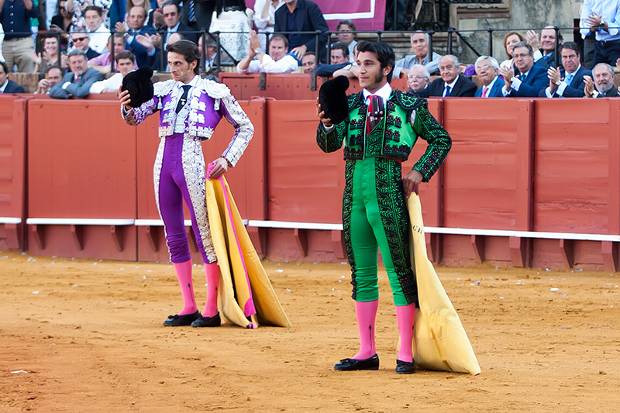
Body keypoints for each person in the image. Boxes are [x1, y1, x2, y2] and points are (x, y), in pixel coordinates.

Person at [316, 40, 451, 374]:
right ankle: (367, 351)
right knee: (361, 273)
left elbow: (441, 139)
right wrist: (328, 124)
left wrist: (419, 171)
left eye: (369, 64)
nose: (361, 70)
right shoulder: (349, 104)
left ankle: (405, 351)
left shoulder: (408, 104)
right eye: (358, 63)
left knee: (398, 272)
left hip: (389, 194)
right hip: (354, 197)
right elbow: (328, 145)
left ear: (386, 68)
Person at [119, 40, 254, 327]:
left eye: (178, 63)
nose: (173, 68)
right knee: (173, 234)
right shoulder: (163, 90)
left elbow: (245, 127)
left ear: (193, 63)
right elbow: (135, 119)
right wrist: (128, 106)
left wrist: (227, 159)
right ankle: (189, 305)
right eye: (170, 63)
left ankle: (211, 310)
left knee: (204, 234)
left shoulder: (214, 91)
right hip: (163, 163)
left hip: (192, 162)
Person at [0, 0, 38, 72]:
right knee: (3, 71)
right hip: (6, 43)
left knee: (28, 70)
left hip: (24, 41)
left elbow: (34, 14)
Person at [580, 0, 620, 66]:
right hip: (597, 43)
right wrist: (593, 27)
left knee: (616, 71)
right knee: (594, 70)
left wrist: (601, 23)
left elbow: (618, 28)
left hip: (616, 44)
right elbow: (584, 26)